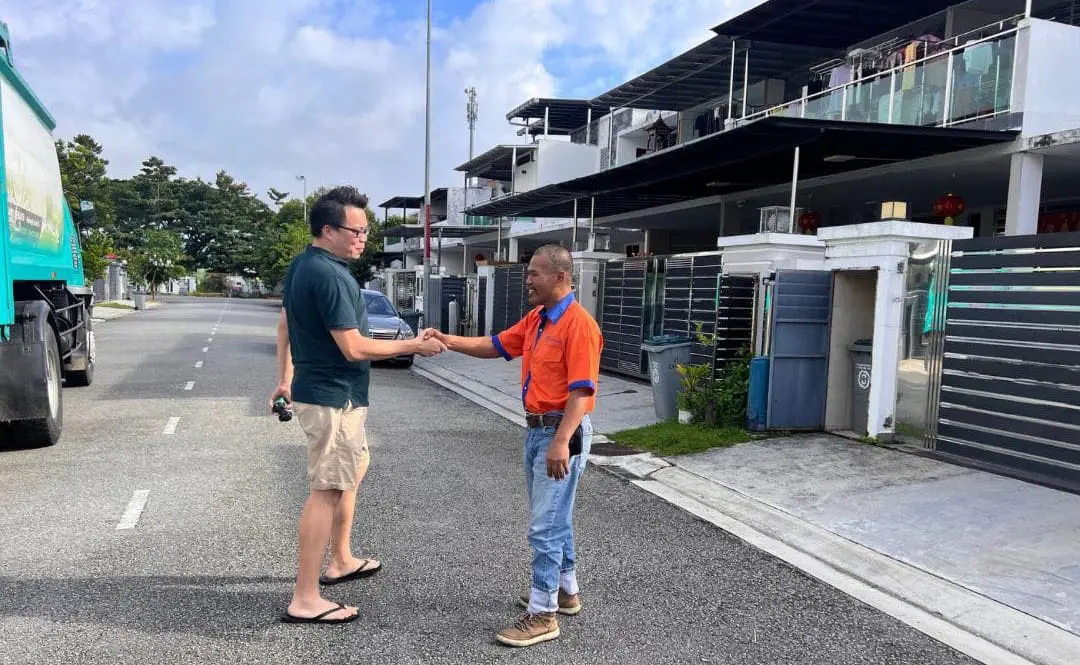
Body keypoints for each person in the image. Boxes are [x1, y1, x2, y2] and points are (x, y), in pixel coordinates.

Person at [270, 185, 446, 625]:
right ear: (328, 229)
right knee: (326, 490)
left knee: (351, 473)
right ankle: (305, 598)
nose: (363, 238)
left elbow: (285, 326)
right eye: (356, 230)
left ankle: (341, 558)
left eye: (366, 231)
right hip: (333, 399)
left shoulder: (304, 266)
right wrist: (412, 346)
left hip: (330, 394)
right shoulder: (328, 274)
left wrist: (284, 379)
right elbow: (351, 347)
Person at [423, 244, 603, 648]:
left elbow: (582, 392)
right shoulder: (539, 320)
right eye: (528, 273)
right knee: (557, 518)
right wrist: (447, 340)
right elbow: (497, 345)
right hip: (538, 430)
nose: (528, 280)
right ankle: (565, 593)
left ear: (560, 277)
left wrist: (561, 443)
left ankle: (543, 614)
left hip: (561, 432)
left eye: (535, 273)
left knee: (545, 525)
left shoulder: (579, 325)